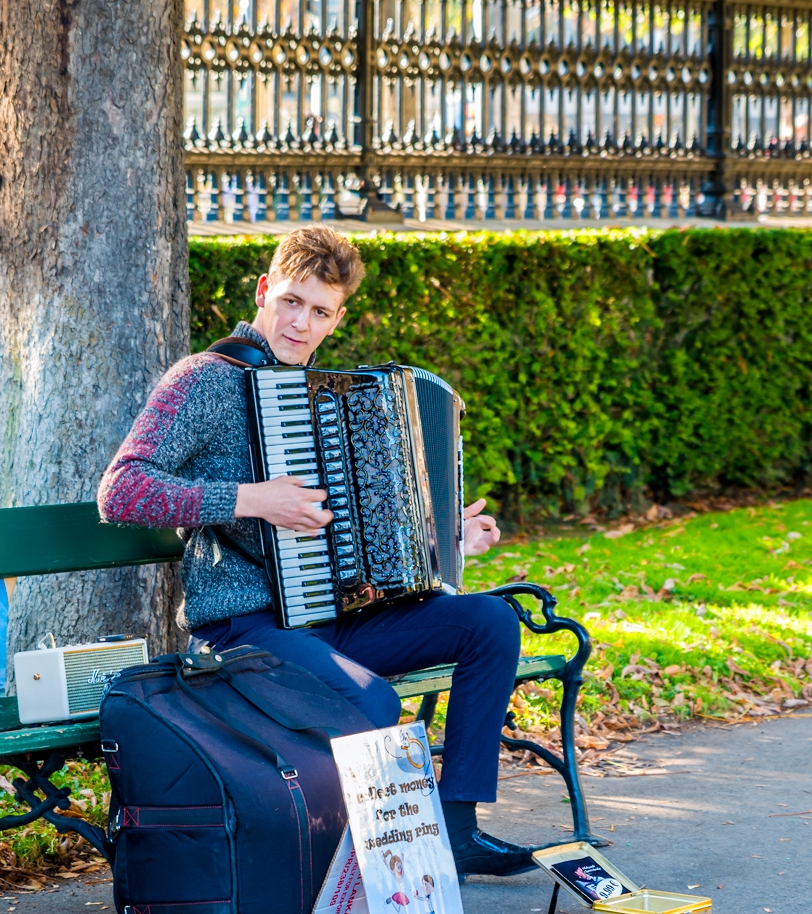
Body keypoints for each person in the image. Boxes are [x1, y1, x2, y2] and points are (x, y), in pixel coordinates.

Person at [98, 224, 549, 878]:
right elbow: (122, 491)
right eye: (290, 302)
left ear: (337, 319)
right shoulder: (204, 380)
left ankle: (456, 829)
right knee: (371, 704)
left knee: (489, 622)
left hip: (336, 622)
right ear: (263, 291)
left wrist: (444, 549)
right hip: (243, 631)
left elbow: (362, 538)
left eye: (319, 311)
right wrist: (252, 500)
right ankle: (349, 871)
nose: (300, 324)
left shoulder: (332, 396)